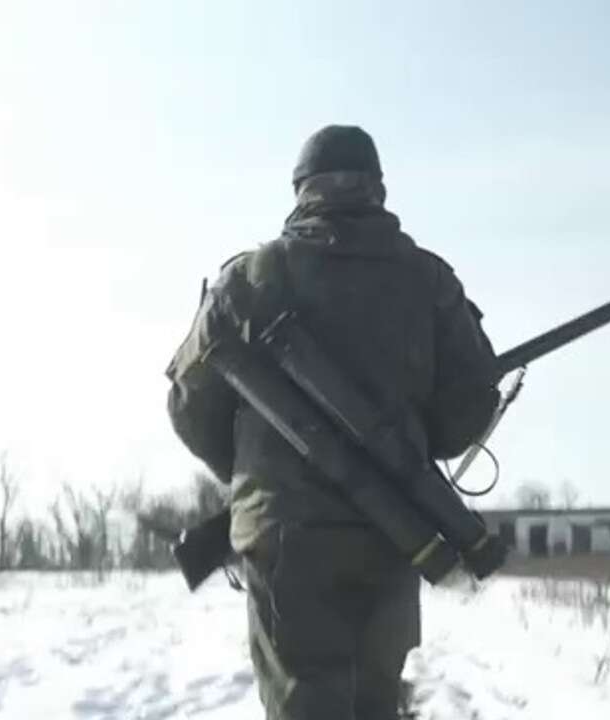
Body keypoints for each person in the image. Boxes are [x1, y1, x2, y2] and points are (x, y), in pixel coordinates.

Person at [164, 125, 501, 719]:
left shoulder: (248, 281)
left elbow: (191, 409)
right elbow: (462, 417)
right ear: (379, 191)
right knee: (376, 706)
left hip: (284, 538)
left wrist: (249, 476)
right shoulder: (429, 280)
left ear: (300, 191)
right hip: (398, 533)